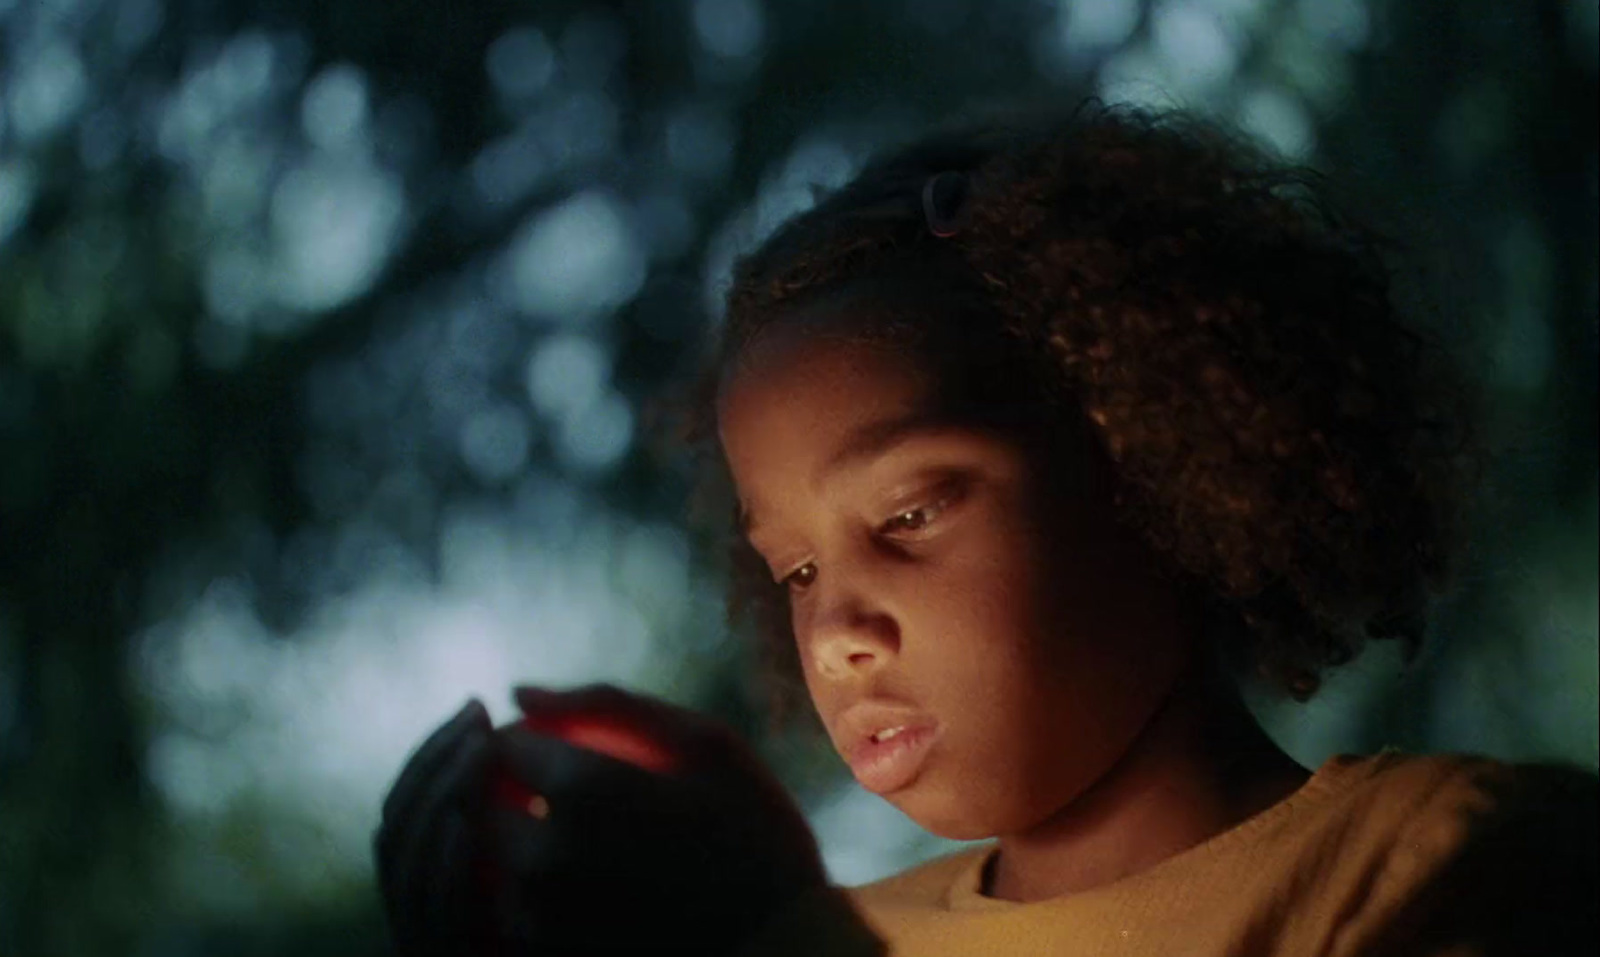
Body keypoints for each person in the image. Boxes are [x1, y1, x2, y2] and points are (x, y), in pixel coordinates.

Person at [372, 103, 1598, 956]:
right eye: (794, 570)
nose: (837, 632)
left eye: (907, 513)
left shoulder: (1456, 863)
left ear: (1146, 452)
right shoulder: (860, 929)